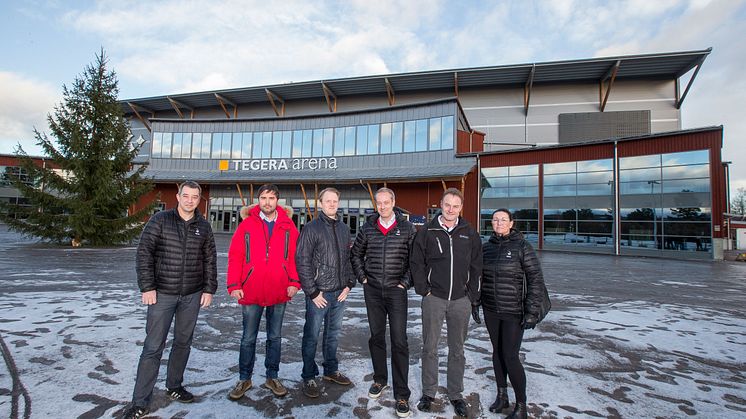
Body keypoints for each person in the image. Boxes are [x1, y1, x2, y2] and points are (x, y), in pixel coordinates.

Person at [124, 181, 217, 419]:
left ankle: (174, 386)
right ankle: (140, 401)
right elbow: (144, 254)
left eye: (194, 197)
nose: (190, 200)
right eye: (185, 196)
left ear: (199, 200)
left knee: (183, 343)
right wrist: (147, 287)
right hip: (162, 294)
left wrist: (208, 290)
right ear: (178, 196)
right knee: (153, 347)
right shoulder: (160, 221)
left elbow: (209, 260)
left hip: (192, 295)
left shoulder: (204, 227)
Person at [410, 188, 482, 418]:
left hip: (461, 301)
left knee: (457, 350)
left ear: (461, 208)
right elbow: (416, 262)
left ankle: (455, 394)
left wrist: (472, 294)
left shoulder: (469, 233)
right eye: (447, 204)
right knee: (430, 348)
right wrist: (424, 289)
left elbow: (477, 266)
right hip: (434, 299)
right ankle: (429, 392)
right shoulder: (427, 232)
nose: (451, 209)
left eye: (455, 206)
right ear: (440, 204)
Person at [226, 184, 300, 400]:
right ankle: (244, 378)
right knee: (248, 338)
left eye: (271, 198)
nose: (267, 202)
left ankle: (272, 376)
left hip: (279, 288)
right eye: (263, 198)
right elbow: (235, 256)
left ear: (278, 200)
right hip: (251, 289)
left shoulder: (288, 226)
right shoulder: (247, 224)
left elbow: (295, 256)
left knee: (274, 337)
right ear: (258, 200)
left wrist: (294, 281)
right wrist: (234, 285)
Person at [350, 187, 417, 418]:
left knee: (399, 341)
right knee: (377, 337)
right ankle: (380, 380)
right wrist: (363, 278)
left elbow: (415, 260)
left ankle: (402, 393)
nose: (383, 206)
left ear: (393, 202)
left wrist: (405, 283)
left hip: (397, 292)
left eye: (386, 202)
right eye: (379, 203)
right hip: (373, 291)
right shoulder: (368, 227)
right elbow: (355, 254)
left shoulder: (407, 228)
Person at [480, 208, 546, 419]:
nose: (499, 223)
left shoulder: (522, 247)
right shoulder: (486, 248)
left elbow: (536, 279)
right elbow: (478, 278)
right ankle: (502, 396)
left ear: (511, 223)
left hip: (513, 312)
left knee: (510, 356)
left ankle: (521, 406)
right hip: (491, 309)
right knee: (497, 353)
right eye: (495, 220)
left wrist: (532, 311)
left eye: (503, 220)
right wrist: (475, 302)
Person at [296, 187, 355, 398]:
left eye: (334, 201)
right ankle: (309, 375)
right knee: (311, 335)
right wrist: (312, 292)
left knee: (333, 335)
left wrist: (349, 284)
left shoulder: (343, 229)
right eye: (327, 201)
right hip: (319, 295)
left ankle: (331, 370)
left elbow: (348, 259)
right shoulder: (311, 228)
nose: (331, 204)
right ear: (320, 203)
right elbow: (301, 261)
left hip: (339, 293)